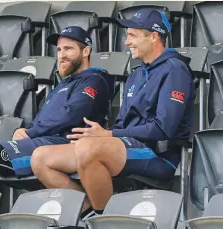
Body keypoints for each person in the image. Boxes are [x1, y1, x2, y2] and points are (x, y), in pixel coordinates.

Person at [31, 8, 195, 217]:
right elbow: (120, 126)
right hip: (125, 146)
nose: (127, 42)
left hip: (157, 154)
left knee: (88, 149)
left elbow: (163, 129)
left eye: (133, 35)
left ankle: (107, 219)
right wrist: (103, 134)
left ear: (154, 37)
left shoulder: (175, 69)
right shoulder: (136, 75)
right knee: (40, 158)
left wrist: (107, 136)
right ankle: (90, 209)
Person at [0, 26, 115, 199]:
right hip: (41, 142)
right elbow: (46, 118)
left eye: (68, 49)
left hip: (60, 146)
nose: (61, 55)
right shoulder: (64, 84)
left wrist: (29, 132)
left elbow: (71, 114)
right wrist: (26, 131)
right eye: (59, 50)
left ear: (85, 52)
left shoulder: (94, 80)